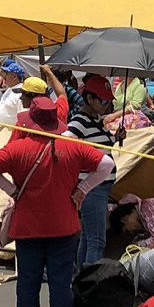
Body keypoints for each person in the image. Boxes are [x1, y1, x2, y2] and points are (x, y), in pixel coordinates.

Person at [0, 98, 114, 307]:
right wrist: (83, 189)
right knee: (60, 284)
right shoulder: (73, 146)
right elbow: (106, 164)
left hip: (27, 227)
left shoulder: (17, 149)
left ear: (32, 120)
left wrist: (11, 189)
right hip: (63, 225)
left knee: (27, 284)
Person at [65, 74, 116, 266]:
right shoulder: (79, 122)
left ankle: (82, 277)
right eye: (102, 101)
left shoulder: (97, 120)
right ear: (89, 99)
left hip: (100, 187)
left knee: (88, 238)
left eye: (109, 101)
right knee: (97, 241)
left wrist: (116, 137)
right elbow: (65, 143)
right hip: (93, 187)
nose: (106, 105)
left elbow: (102, 145)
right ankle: (92, 279)